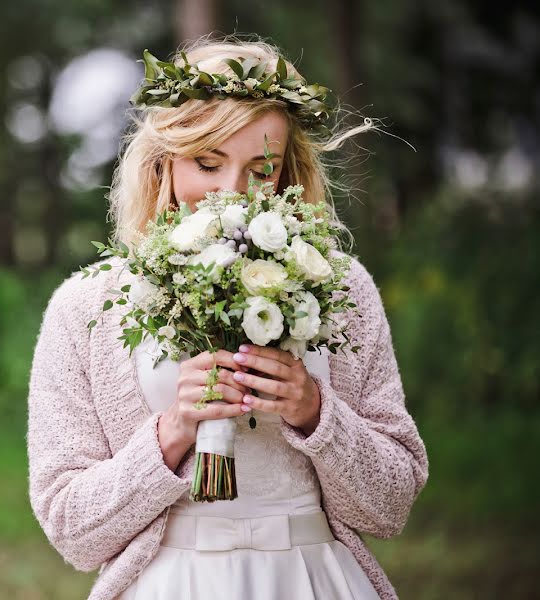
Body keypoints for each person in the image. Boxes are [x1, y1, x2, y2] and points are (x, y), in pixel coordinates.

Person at [27, 36, 428, 600]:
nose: (230, 195)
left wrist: (315, 413)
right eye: (208, 163)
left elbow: (392, 504)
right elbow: (71, 528)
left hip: (313, 580)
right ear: (165, 162)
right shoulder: (86, 306)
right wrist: (172, 432)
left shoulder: (341, 287)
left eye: (260, 170)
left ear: (286, 172)